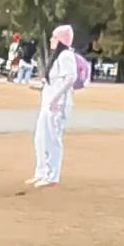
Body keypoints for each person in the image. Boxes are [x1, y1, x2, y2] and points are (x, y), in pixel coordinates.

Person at [27, 23, 79, 189]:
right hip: (48, 102)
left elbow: (69, 78)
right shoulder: (58, 57)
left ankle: (52, 175)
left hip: (57, 104)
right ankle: (41, 171)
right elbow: (55, 80)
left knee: (52, 139)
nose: (51, 40)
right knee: (40, 137)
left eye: (54, 37)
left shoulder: (65, 56)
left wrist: (55, 98)